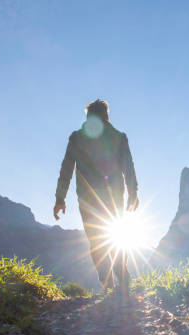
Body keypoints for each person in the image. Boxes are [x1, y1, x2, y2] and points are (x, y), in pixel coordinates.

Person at [54, 99, 139, 296]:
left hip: (87, 199)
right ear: (106, 115)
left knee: (96, 239)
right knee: (116, 235)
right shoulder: (119, 137)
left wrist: (60, 198)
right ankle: (122, 276)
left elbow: (66, 170)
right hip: (115, 196)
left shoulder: (76, 138)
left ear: (89, 116)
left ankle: (108, 282)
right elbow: (129, 167)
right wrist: (133, 193)